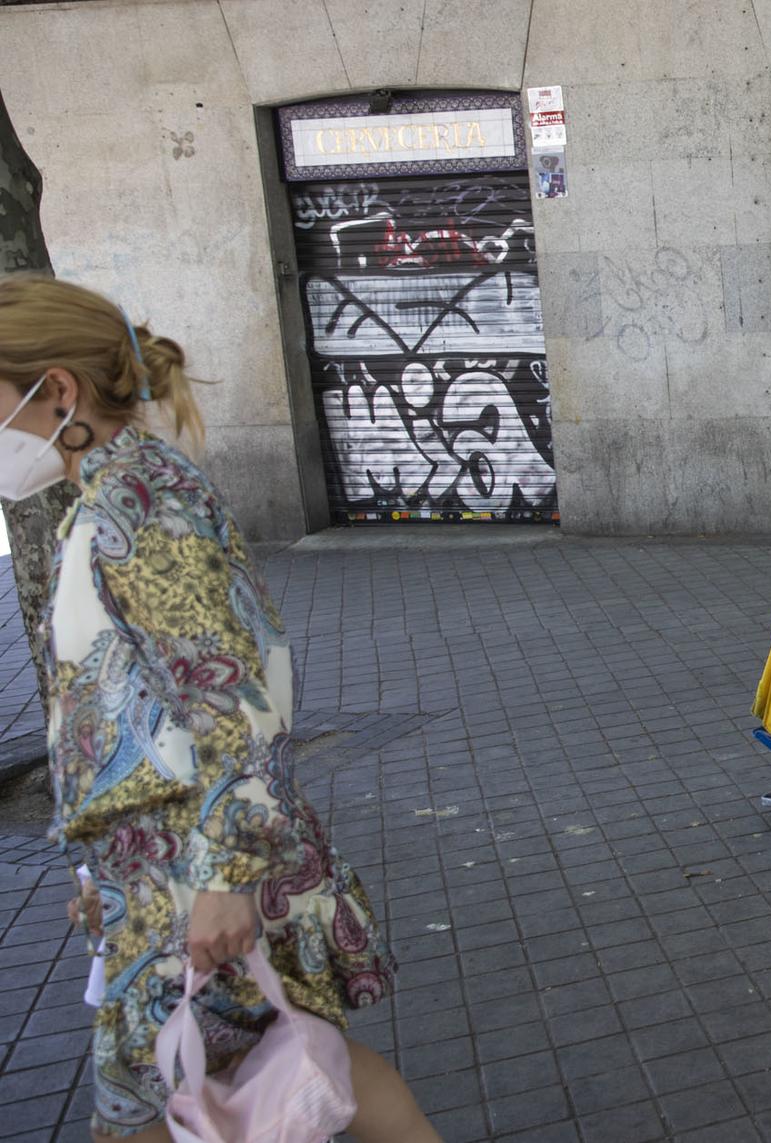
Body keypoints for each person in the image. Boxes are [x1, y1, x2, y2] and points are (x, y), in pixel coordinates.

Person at [0, 274, 440, 1142]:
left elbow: (236, 696)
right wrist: (101, 871)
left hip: (194, 873)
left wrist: (225, 877)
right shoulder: (108, 494)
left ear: (58, 390)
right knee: (301, 1063)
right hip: (165, 872)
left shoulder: (142, 500)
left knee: (146, 1115)